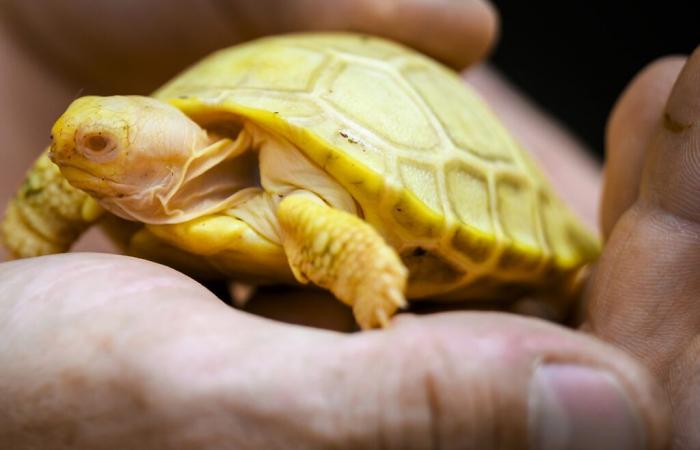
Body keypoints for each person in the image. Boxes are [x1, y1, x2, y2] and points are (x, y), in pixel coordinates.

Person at [0, 1, 697, 448]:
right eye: (70, 141)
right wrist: (19, 246)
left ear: (169, 143)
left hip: (409, 147)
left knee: (305, 215)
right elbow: (60, 184)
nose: (68, 155)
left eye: (100, 147)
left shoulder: (295, 199)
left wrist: (362, 273)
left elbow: (314, 222)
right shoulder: (139, 167)